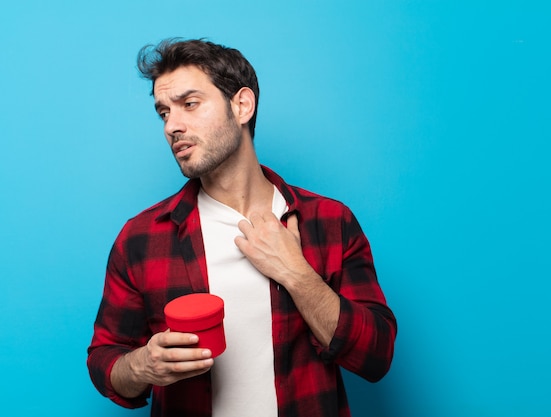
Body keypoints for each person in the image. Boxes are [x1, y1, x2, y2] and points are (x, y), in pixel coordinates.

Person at [87, 38, 397, 417]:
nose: (172, 126)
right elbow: (105, 359)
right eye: (163, 112)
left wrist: (297, 275)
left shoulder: (329, 221)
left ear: (242, 105)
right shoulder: (142, 238)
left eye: (190, 104)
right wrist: (141, 365)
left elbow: (377, 355)